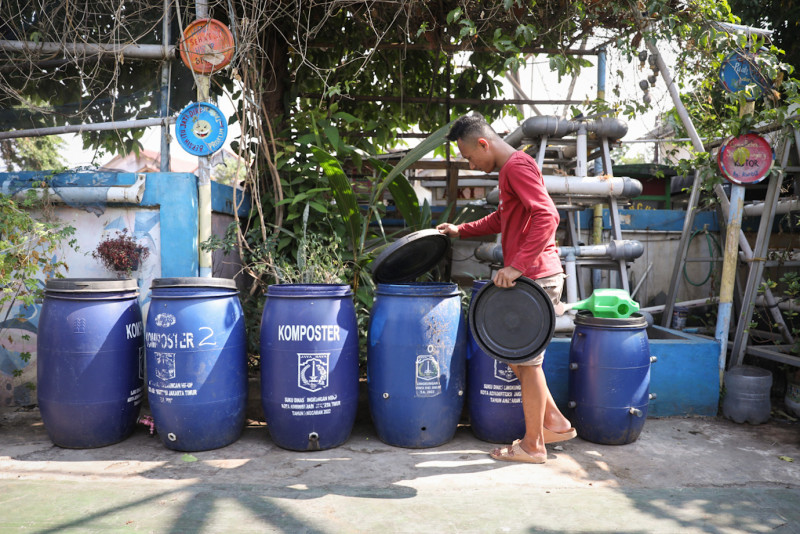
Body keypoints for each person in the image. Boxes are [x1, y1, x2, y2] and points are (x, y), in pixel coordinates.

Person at [437, 113, 576, 464]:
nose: (471, 163)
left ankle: (533, 446)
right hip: (534, 275)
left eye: (470, 157)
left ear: (483, 143)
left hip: (537, 276)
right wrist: (462, 230)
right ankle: (555, 421)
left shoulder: (515, 166)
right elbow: (504, 218)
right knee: (522, 361)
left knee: (527, 365)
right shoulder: (510, 171)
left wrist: (517, 266)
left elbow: (548, 215)